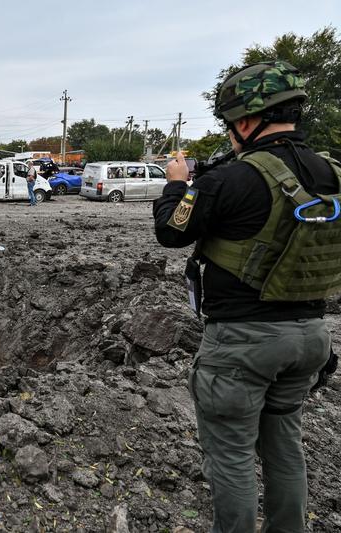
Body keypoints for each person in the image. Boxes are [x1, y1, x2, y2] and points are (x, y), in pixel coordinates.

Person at [153, 61, 340, 532]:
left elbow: (172, 232)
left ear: (243, 121)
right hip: (312, 339)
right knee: (284, 446)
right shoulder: (332, 175)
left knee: (232, 456)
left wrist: (177, 182)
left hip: (243, 343)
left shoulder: (232, 178)